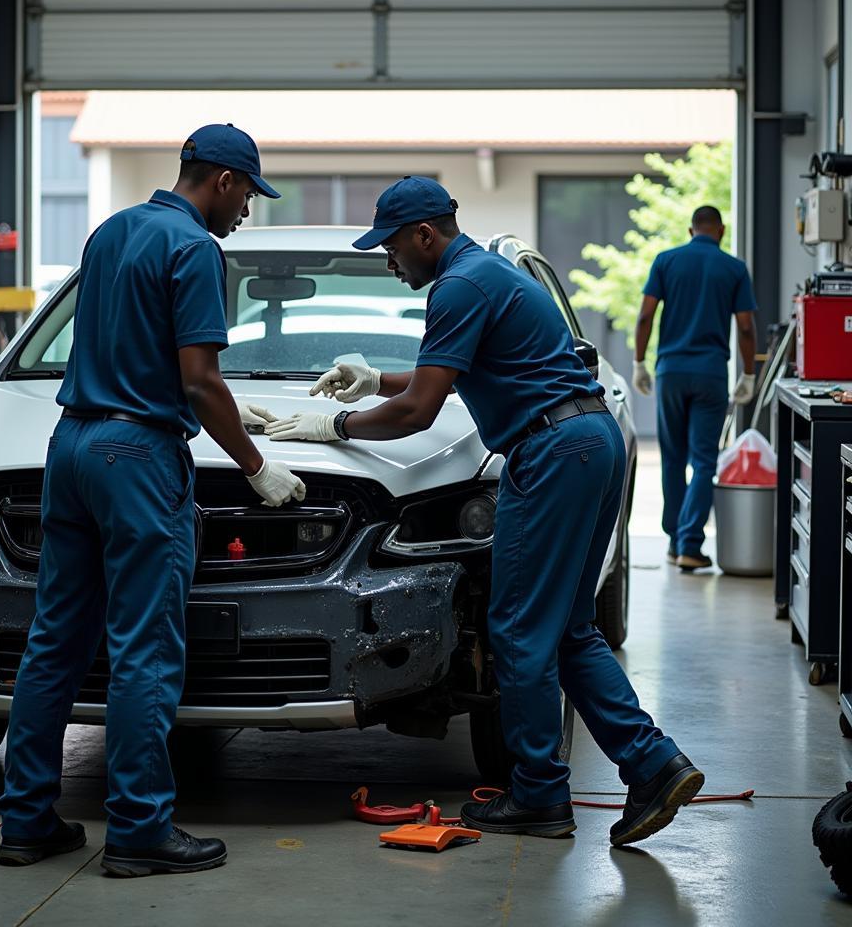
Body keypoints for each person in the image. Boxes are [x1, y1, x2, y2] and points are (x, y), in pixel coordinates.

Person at [265, 176, 702, 847]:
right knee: (567, 629)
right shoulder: (483, 274)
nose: (389, 261)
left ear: (424, 236)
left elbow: (421, 411)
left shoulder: (459, 286)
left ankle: (537, 797)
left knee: (519, 631)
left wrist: (337, 426)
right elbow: (445, 374)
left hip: (551, 454)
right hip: (587, 441)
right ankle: (652, 763)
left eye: (391, 248)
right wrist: (373, 378)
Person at [0, 123, 306, 877]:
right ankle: (138, 832)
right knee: (144, 649)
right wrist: (256, 463)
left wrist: (223, 405)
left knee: (55, 641)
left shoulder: (111, 231)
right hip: (137, 457)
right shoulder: (196, 247)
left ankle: (27, 823)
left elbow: (128, 346)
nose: (244, 215)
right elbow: (199, 379)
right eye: (247, 198)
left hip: (69, 446)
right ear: (224, 181)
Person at [632, 205, 757, 571]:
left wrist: (640, 361)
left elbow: (645, 315)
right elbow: (747, 327)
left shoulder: (666, 261)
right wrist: (749, 373)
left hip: (671, 371)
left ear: (691, 230)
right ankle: (690, 543)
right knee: (703, 461)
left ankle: (673, 540)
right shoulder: (734, 268)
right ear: (720, 230)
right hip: (711, 374)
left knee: (672, 458)